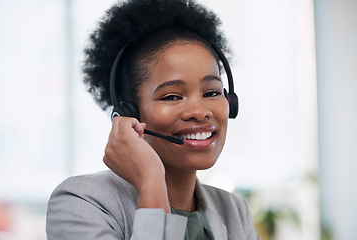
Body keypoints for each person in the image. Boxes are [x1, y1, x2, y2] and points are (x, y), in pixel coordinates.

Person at [46, 0, 260, 239]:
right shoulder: (83, 203)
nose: (199, 112)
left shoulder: (235, 212)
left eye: (211, 93)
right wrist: (150, 182)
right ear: (129, 114)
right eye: (172, 96)